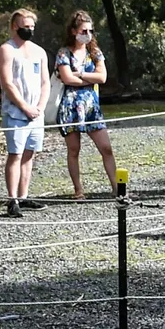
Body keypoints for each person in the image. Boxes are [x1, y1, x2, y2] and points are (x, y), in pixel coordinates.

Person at [54, 10, 117, 198]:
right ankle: (78, 189)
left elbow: (102, 77)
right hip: (70, 106)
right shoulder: (64, 52)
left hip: (91, 106)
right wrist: (88, 79)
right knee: (74, 149)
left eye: (90, 31)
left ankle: (117, 188)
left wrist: (80, 75)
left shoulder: (94, 52)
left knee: (106, 147)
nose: (87, 35)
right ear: (74, 31)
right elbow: (66, 78)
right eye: (83, 31)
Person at [0, 8, 50, 218]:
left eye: (31, 27)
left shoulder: (39, 52)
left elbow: (45, 82)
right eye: (24, 27)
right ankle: (12, 200)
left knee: (30, 154)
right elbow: (7, 83)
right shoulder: (6, 50)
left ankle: (24, 195)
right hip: (15, 112)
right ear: (14, 26)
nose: (28, 30)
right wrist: (24, 107)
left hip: (36, 112)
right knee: (16, 154)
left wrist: (39, 106)